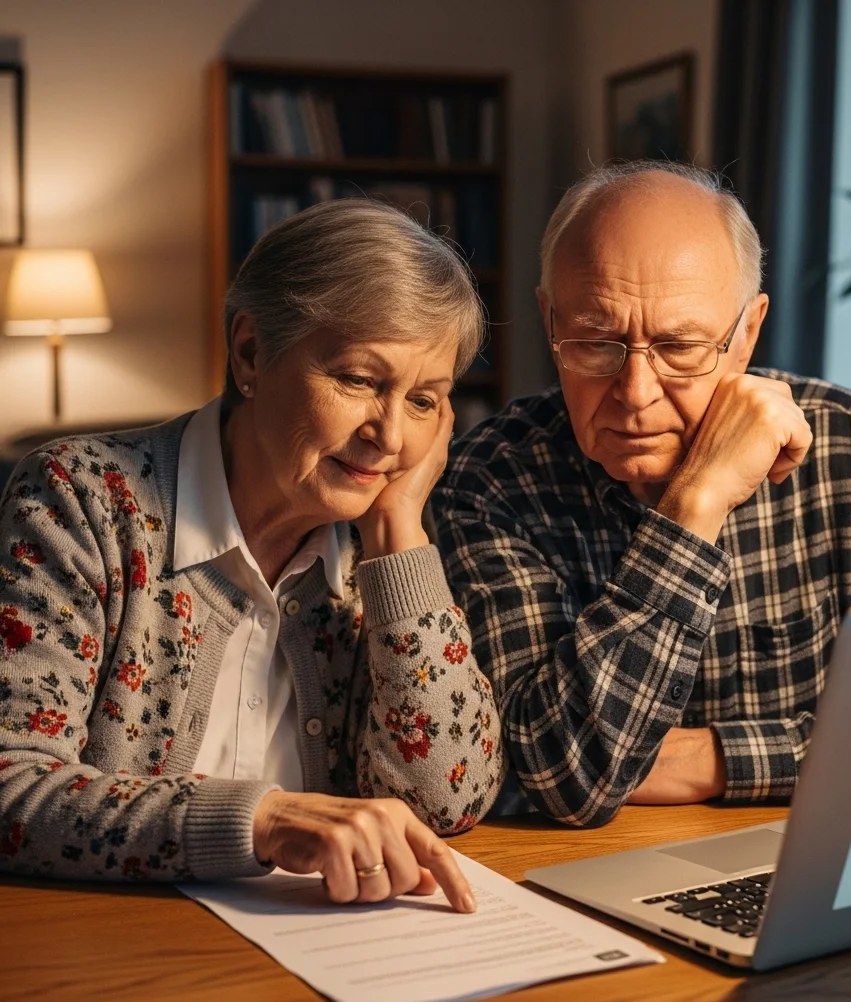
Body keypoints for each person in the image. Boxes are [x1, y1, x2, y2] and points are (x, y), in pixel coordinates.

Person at [0, 199, 502, 910]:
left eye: (425, 400)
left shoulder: (388, 548)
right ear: (250, 353)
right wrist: (261, 820)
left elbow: (448, 802)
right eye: (360, 380)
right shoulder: (83, 500)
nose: (389, 436)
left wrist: (396, 534)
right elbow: (11, 783)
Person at [433, 161, 851, 828]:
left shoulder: (846, 446)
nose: (635, 392)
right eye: (597, 342)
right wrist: (697, 503)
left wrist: (710, 759)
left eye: (680, 346)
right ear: (550, 321)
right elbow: (558, 775)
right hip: (567, 881)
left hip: (811, 856)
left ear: (746, 334)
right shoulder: (491, 477)